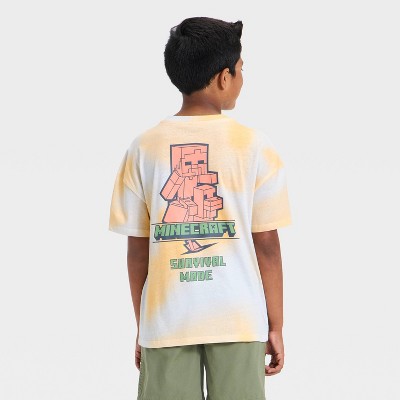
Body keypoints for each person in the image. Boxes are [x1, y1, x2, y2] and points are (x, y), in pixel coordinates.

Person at [108, 16, 292, 400]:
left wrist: (143, 324)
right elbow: (267, 246)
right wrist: (275, 325)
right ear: (224, 78)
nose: (242, 77)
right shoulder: (254, 146)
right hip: (238, 319)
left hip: (167, 320)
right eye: (241, 69)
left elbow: (137, 250)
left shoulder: (143, 148)